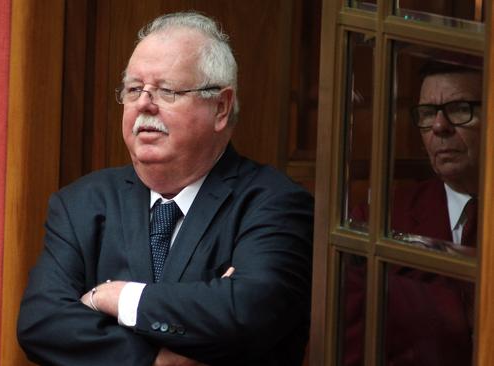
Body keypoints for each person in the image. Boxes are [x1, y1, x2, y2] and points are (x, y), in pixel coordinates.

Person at [16, 12, 314, 366]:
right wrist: (156, 358)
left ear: (220, 107)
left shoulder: (274, 204)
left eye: (166, 90)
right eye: (133, 89)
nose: (144, 103)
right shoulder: (81, 204)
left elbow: (246, 312)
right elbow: (41, 323)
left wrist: (118, 298)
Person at [344, 61, 481, 366]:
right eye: (428, 113)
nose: (439, 127)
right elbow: (350, 349)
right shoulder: (380, 218)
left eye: (460, 109)